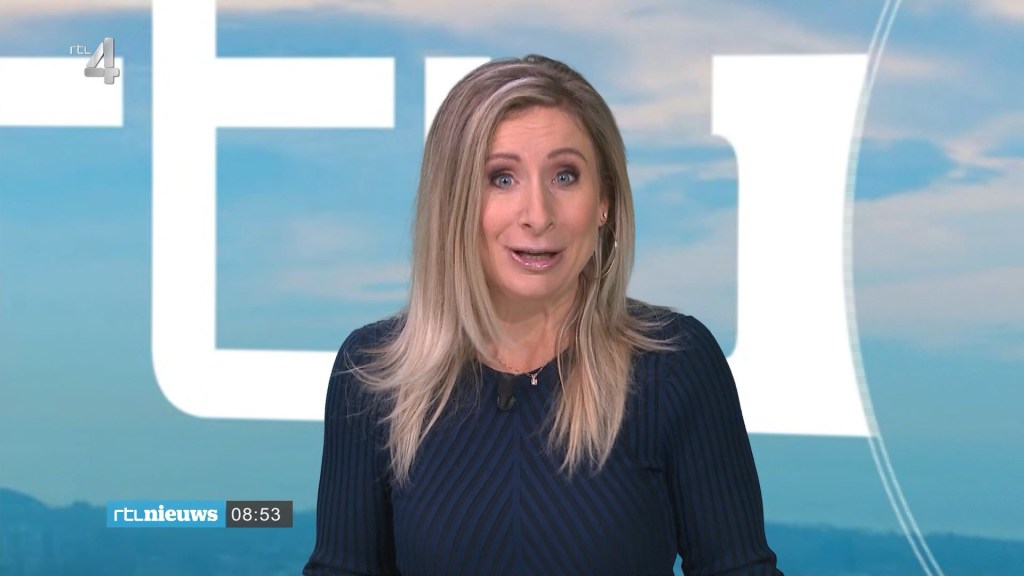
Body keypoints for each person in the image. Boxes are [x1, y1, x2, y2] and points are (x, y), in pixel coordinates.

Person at [303, 54, 783, 576]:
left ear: (604, 201)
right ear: (452, 202)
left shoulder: (675, 365)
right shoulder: (374, 375)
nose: (537, 215)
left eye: (565, 175)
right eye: (502, 178)